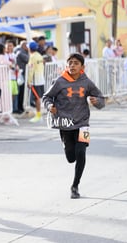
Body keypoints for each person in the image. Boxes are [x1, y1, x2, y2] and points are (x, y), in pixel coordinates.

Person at [43, 53, 105, 199]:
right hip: (65, 124)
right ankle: (66, 144)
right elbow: (46, 97)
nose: (72, 65)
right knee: (71, 157)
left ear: (82, 67)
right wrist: (50, 105)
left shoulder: (87, 82)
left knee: (81, 153)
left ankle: (75, 186)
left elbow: (101, 98)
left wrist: (97, 102)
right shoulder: (60, 81)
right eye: (70, 63)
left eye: (76, 63)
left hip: (83, 123)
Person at [27, 41, 45, 123]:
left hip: (35, 80)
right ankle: (38, 114)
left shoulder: (32, 57)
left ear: (29, 48)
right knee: (38, 98)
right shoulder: (39, 56)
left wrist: (29, 81)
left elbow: (31, 70)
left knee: (37, 98)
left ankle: (38, 115)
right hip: (41, 78)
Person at [15, 41, 29, 114]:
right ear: (24, 46)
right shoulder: (21, 52)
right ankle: (19, 108)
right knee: (20, 92)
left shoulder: (23, 52)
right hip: (21, 75)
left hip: (22, 74)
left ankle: (21, 107)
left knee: (22, 92)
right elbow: (28, 59)